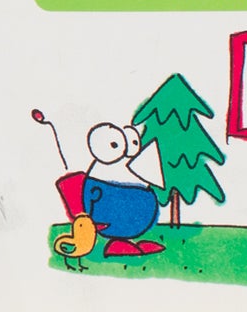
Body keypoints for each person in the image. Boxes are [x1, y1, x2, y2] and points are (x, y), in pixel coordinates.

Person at [31, 111, 166, 258]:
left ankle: (122, 242)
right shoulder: (100, 176)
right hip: (110, 202)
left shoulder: (136, 168)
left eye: (133, 142)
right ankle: (117, 244)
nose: (126, 149)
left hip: (138, 203)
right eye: (114, 144)